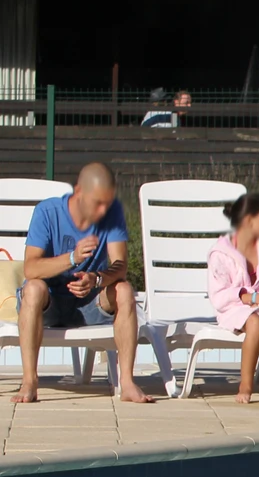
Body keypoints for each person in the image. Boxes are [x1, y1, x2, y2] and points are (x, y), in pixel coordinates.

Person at [13, 162, 155, 403]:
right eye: (97, 203)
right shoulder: (47, 213)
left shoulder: (112, 215)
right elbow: (31, 267)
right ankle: (30, 381)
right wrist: (72, 258)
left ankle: (128, 382)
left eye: (106, 204)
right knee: (33, 287)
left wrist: (97, 278)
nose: (102, 211)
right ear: (78, 191)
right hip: (49, 303)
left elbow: (120, 266)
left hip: (89, 302)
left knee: (124, 289)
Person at [207, 192, 259, 403]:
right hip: (235, 308)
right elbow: (219, 295)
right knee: (254, 324)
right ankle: (245, 386)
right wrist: (251, 297)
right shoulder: (220, 254)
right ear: (249, 221)